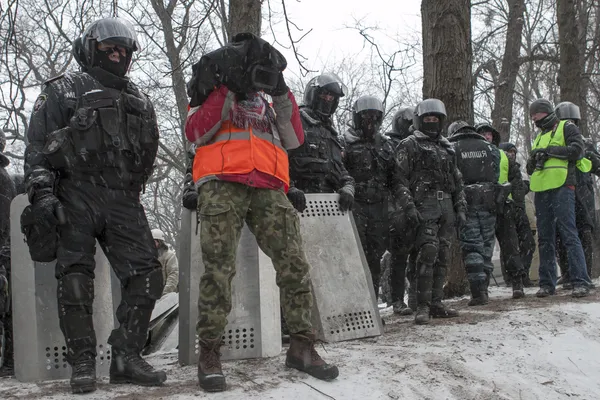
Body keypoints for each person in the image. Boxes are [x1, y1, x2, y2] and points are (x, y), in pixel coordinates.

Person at [185, 33, 338, 393]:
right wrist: (225, 87)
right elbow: (194, 131)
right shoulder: (211, 89)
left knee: (295, 266)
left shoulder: (270, 105)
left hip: (270, 186)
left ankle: (302, 346)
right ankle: (209, 353)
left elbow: (294, 138)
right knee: (219, 269)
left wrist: (282, 91)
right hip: (222, 183)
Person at [23, 18, 167, 393]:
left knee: (149, 274)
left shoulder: (140, 98)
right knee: (74, 280)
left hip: (123, 197)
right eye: (109, 48)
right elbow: (37, 148)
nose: (118, 54)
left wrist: (132, 189)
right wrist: (43, 192)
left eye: (124, 49)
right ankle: (83, 361)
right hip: (76, 192)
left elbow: (149, 148)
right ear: (90, 49)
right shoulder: (64, 90)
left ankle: (126, 354)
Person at [390, 99, 466, 325]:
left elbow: (457, 180)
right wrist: (409, 206)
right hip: (424, 206)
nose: (432, 123)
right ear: (419, 120)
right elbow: (399, 180)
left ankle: (436, 303)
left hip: (446, 207)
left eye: (435, 119)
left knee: (443, 254)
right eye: (427, 119)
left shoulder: (447, 147)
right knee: (428, 252)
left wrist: (461, 207)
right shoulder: (409, 145)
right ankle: (422, 305)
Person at [526, 98, 591, 297]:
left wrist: (549, 152)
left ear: (545, 113)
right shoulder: (539, 136)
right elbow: (530, 168)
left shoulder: (566, 127)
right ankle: (547, 283)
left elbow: (577, 151)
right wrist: (536, 157)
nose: (534, 119)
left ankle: (580, 280)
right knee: (545, 238)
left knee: (569, 233)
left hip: (563, 186)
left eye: (535, 115)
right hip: (542, 190)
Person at [448, 121, 509, 305]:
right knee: (487, 246)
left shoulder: (452, 148)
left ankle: (478, 292)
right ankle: (484, 287)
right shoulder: (490, 148)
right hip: (489, 201)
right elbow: (496, 173)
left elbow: (450, 177)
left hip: (466, 201)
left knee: (472, 246)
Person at [341, 95, 395, 298]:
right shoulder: (345, 143)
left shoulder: (387, 146)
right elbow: (340, 174)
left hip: (379, 208)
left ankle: (371, 304)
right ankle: (354, 301)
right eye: (365, 117)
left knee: (375, 257)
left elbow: (395, 178)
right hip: (355, 207)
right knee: (354, 255)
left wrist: (401, 205)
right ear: (357, 117)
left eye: (374, 116)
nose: (370, 121)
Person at [286, 73, 355, 212]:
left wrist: (348, 186)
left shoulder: (331, 132)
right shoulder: (296, 121)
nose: (328, 100)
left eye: (332, 97)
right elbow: (277, 159)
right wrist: (289, 187)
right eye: (324, 95)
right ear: (314, 95)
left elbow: (339, 168)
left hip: (328, 204)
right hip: (296, 203)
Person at [476, 123, 527, 292]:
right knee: (483, 249)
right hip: (483, 208)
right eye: (482, 133)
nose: (486, 136)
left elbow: (517, 183)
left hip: (505, 207)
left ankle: (517, 283)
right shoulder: (472, 157)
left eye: (488, 133)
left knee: (511, 247)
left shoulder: (505, 156)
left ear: (494, 136)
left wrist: (517, 206)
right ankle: (481, 288)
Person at [554, 102, 598, 287]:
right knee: (560, 234)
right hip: (563, 190)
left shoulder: (586, 143)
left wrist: (592, 158)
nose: (568, 124)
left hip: (583, 193)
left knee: (584, 233)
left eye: (571, 121)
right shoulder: (553, 140)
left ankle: (583, 273)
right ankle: (567, 272)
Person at [386, 107, 417, 315]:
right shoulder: (389, 145)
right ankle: (396, 299)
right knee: (398, 256)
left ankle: (415, 296)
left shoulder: (417, 145)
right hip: (392, 207)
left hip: (415, 203)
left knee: (416, 253)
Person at [498, 142, 536, 287]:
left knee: (528, 243)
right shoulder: (497, 168)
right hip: (504, 210)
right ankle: (511, 278)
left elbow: (526, 187)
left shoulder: (520, 171)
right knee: (509, 245)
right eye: (508, 152)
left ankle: (523, 275)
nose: (511, 154)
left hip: (520, 209)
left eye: (513, 152)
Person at [0, 128, 17, 377]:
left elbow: (5, 220)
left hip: (4, 255)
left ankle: (11, 360)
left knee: (7, 309)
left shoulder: (3, 179)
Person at [151, 229, 179, 296]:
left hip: (166, 296)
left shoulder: (170, 256)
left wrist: (165, 293)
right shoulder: (148, 256)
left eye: (153, 241)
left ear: (159, 242)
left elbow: (173, 275)